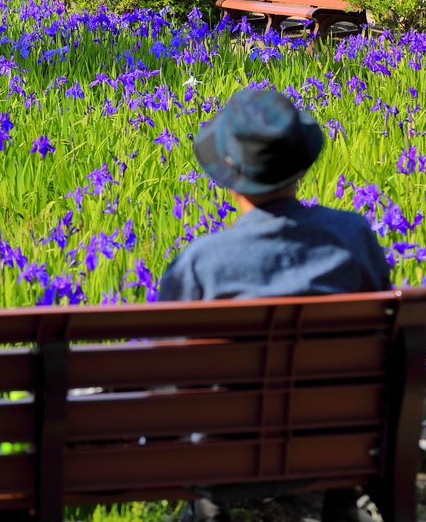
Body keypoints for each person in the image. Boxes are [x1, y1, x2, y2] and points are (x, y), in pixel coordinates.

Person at [158, 88, 391, 522]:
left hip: (223, 457)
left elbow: (166, 376)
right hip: (340, 446)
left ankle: (209, 504)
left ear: (227, 173)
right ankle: (339, 499)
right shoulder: (354, 237)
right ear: (301, 166)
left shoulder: (203, 263)